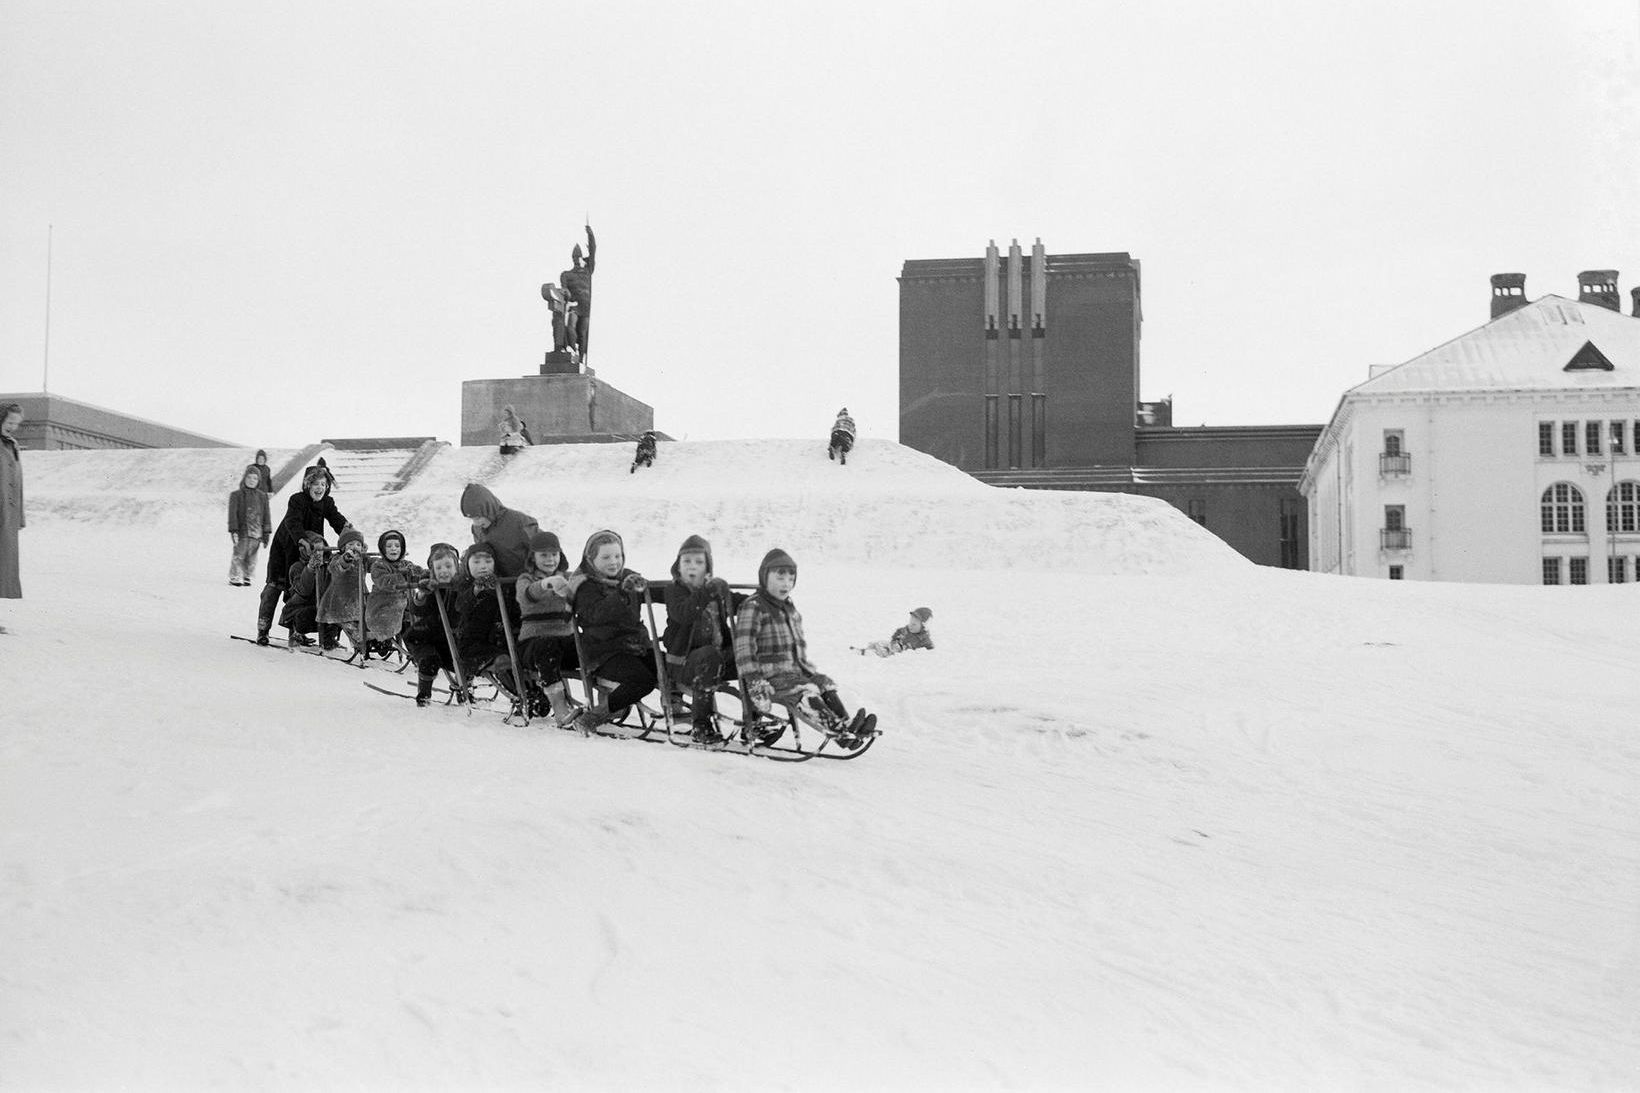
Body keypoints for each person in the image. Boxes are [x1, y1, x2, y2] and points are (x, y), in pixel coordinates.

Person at [733, 547, 875, 745]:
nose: (786, 584)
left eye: (791, 579)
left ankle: (848, 724)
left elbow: (796, 645)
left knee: (824, 685)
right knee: (805, 693)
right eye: (780, 578)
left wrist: (808, 671)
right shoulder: (754, 606)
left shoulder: (788, 607)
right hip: (770, 675)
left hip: (793, 670)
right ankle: (839, 732)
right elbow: (744, 648)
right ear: (765, 577)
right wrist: (754, 680)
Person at [569, 529, 656, 734]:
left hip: (635, 645)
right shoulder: (584, 585)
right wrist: (622, 593)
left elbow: (652, 592)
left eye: (618, 556)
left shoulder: (628, 577)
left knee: (666, 667)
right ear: (591, 559)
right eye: (606, 557)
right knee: (642, 680)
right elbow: (596, 615)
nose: (614, 562)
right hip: (604, 651)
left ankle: (679, 711)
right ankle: (592, 717)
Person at [256, 465, 350, 644]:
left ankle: (295, 632)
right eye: (315, 483)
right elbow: (293, 521)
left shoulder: (327, 503)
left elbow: (337, 520)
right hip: (286, 548)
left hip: (310, 549)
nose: (319, 488)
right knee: (275, 586)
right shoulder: (297, 500)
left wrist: (350, 535)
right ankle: (263, 628)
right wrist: (302, 540)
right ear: (307, 485)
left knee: (299, 589)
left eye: (323, 484)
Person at [662, 534, 739, 744]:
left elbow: (736, 601)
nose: (692, 566)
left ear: (708, 567)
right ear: (678, 566)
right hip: (684, 664)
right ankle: (701, 725)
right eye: (686, 561)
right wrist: (705, 591)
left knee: (748, 650)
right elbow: (684, 613)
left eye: (698, 562)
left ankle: (755, 720)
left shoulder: (713, 590)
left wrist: (761, 598)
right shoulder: (674, 590)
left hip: (718, 659)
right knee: (709, 655)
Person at [515, 530, 581, 727]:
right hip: (533, 644)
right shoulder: (525, 579)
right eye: (544, 555)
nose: (550, 559)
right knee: (547, 646)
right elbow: (527, 596)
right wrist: (546, 584)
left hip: (565, 639)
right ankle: (561, 709)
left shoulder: (569, 578)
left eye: (554, 554)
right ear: (533, 557)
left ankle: (607, 702)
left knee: (593, 642)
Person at [454, 541, 521, 698]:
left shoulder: (503, 584)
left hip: (502, 639)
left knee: (519, 658)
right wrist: (476, 590)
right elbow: (461, 605)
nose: (483, 566)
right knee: (503, 661)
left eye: (488, 561)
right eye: (476, 562)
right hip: (474, 644)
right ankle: (521, 696)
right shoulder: (465, 585)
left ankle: (533, 693)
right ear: (467, 565)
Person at [404, 542, 464, 707]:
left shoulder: (463, 585)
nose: (444, 571)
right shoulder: (430, 584)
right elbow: (417, 610)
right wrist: (422, 594)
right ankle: (424, 694)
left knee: (464, 661)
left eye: (448, 566)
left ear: (457, 566)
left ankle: (465, 691)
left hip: (456, 635)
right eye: (438, 568)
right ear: (432, 570)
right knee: (429, 660)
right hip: (429, 635)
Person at [459, 483, 540, 580]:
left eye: (478, 517)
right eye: (472, 519)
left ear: (488, 509)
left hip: (529, 581)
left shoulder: (518, 522)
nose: (476, 523)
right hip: (500, 584)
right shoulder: (477, 529)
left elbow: (544, 548)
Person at [366, 529, 423, 656]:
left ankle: (417, 653)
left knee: (413, 624)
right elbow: (385, 582)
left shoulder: (406, 564)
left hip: (405, 606)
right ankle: (379, 641)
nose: (394, 549)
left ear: (402, 549)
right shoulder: (378, 565)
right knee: (393, 625)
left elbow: (418, 573)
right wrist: (402, 575)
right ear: (383, 549)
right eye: (389, 546)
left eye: (397, 546)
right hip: (383, 607)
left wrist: (425, 576)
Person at [318, 527, 369, 651]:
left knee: (362, 621)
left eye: (358, 544)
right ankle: (356, 642)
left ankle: (369, 642)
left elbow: (376, 565)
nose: (355, 547)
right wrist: (345, 559)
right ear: (343, 548)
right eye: (350, 544)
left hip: (357, 599)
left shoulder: (363, 560)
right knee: (345, 622)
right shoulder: (338, 558)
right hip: (339, 599)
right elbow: (335, 568)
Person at [278, 532, 328, 645]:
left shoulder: (327, 566)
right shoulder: (296, 568)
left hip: (321, 606)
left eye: (321, 549)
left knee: (334, 611)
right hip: (300, 607)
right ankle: (297, 633)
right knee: (305, 615)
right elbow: (303, 590)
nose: (319, 553)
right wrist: (310, 569)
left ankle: (328, 640)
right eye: (316, 550)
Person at [227, 464, 272, 587]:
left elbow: (266, 515)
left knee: (252, 556)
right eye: (249, 477)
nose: (252, 481)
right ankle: (235, 575)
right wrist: (233, 530)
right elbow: (232, 514)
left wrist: (266, 532)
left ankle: (247, 575)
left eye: (255, 478)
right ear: (244, 479)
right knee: (239, 553)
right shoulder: (237, 495)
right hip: (243, 531)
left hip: (257, 532)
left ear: (258, 481)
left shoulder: (262, 496)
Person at [559, 224, 596, 361]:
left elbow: (593, 251)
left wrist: (590, 235)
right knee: (571, 327)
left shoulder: (588, 270)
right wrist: (568, 296)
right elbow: (564, 290)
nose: (576, 259)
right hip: (574, 306)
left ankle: (581, 358)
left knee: (583, 333)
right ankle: (573, 351)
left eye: (578, 257)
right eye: (574, 257)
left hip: (586, 307)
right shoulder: (566, 275)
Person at [0, 402, 24, 609]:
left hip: (7, 516)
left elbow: (18, 485)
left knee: (2, 567)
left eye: (16, 423)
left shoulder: (12, 445)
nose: (12, 427)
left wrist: (19, 517)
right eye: (9, 421)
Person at [858, 607, 934, 657]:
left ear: (923, 626)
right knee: (880, 643)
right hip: (895, 645)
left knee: (884, 652)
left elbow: (929, 649)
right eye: (910, 622)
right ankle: (868, 649)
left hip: (899, 652)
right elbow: (899, 632)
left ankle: (870, 654)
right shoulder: (907, 629)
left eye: (914, 624)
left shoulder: (923, 640)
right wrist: (895, 639)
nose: (910, 625)